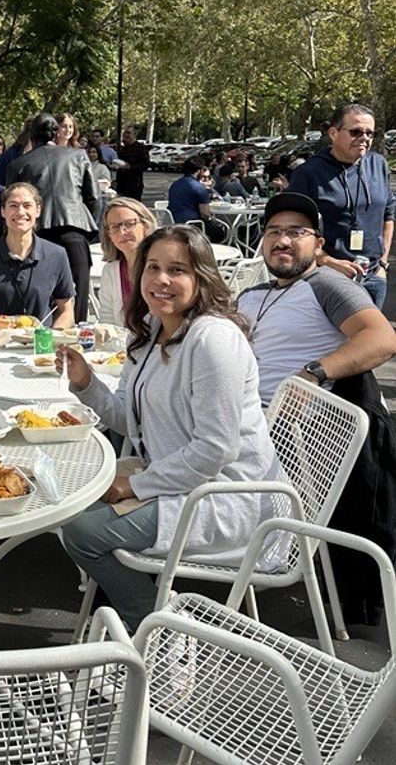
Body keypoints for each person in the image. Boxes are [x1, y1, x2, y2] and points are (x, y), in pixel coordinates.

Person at [58, 225, 280, 632]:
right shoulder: (152, 330)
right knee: (65, 501)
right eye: (152, 268)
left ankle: (155, 628)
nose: (161, 280)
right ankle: (141, 616)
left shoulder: (213, 341)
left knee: (82, 532)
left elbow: (215, 450)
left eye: (177, 270)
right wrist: (87, 383)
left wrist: (133, 487)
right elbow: (130, 419)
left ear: (202, 278)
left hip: (222, 496)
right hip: (177, 479)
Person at [238, 191, 396, 625]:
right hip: (243, 418)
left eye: (296, 232)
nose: (282, 240)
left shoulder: (325, 285)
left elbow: (382, 339)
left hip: (291, 435)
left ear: (318, 245)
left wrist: (315, 372)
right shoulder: (253, 293)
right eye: (273, 232)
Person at [290, 102, 395, 310]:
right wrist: (327, 261)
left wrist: (382, 262)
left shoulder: (378, 164)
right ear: (333, 133)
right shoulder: (309, 173)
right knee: (334, 342)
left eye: (369, 133)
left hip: (373, 276)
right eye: (356, 131)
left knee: (370, 340)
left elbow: (388, 213)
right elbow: (293, 228)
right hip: (328, 276)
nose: (364, 138)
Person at [7, 112, 98, 322]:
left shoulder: (19, 164)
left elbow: (11, 203)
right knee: (79, 295)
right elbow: (93, 196)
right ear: (56, 133)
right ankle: (76, 340)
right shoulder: (78, 157)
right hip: (75, 229)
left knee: (40, 293)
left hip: (40, 234)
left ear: (32, 135)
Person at [0, 182, 75, 328]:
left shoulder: (57, 254)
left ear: (38, 211)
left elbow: (66, 310)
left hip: (40, 345)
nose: (20, 212)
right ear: (3, 211)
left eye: (27, 206)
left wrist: (52, 338)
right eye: (13, 206)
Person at [97, 197, 156, 326]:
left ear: (145, 226)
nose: (122, 232)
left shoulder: (159, 267)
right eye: (114, 227)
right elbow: (107, 320)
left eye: (129, 224)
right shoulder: (111, 271)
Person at [167, 156, 225, 242]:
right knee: (220, 233)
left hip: (173, 224)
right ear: (199, 170)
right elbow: (205, 214)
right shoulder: (199, 187)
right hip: (193, 225)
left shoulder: (174, 185)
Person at [110, 126, 150, 201]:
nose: (125, 135)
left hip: (134, 186)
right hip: (121, 186)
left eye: (128, 133)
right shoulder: (123, 150)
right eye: (124, 133)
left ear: (134, 134)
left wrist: (130, 167)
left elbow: (145, 165)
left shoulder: (141, 148)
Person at [87, 144, 113, 227]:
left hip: (100, 197)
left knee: (98, 223)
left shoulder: (102, 167)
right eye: (89, 152)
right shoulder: (83, 165)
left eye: (94, 152)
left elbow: (107, 182)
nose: (91, 154)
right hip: (86, 198)